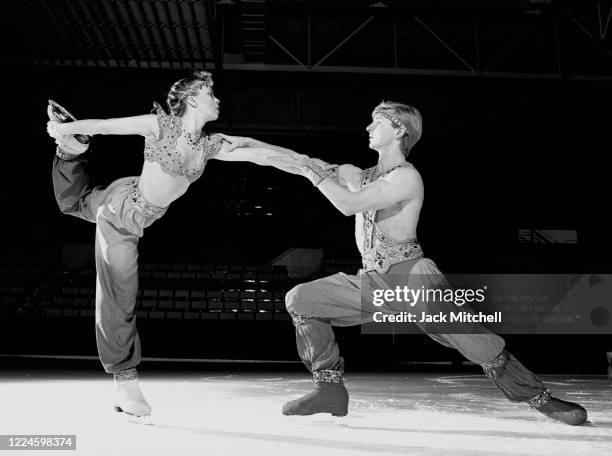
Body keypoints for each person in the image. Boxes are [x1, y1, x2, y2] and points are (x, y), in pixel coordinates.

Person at [266, 101, 588, 426]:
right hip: (374, 282)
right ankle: (329, 389)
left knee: (473, 340)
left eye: (376, 122)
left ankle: (539, 398)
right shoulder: (358, 175)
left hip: (412, 278)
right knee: (302, 299)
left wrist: (310, 172)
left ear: (399, 130)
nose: (368, 127)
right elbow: (301, 162)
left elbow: (348, 204)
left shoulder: (406, 177)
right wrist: (227, 146)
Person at [46, 71, 295, 423]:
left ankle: (69, 154)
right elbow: (105, 124)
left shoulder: (209, 144)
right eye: (211, 93)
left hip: (131, 197)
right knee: (119, 291)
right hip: (123, 215)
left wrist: (307, 164)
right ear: (193, 99)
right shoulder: (160, 125)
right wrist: (63, 129)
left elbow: (258, 151)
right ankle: (125, 382)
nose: (218, 99)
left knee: (77, 204)